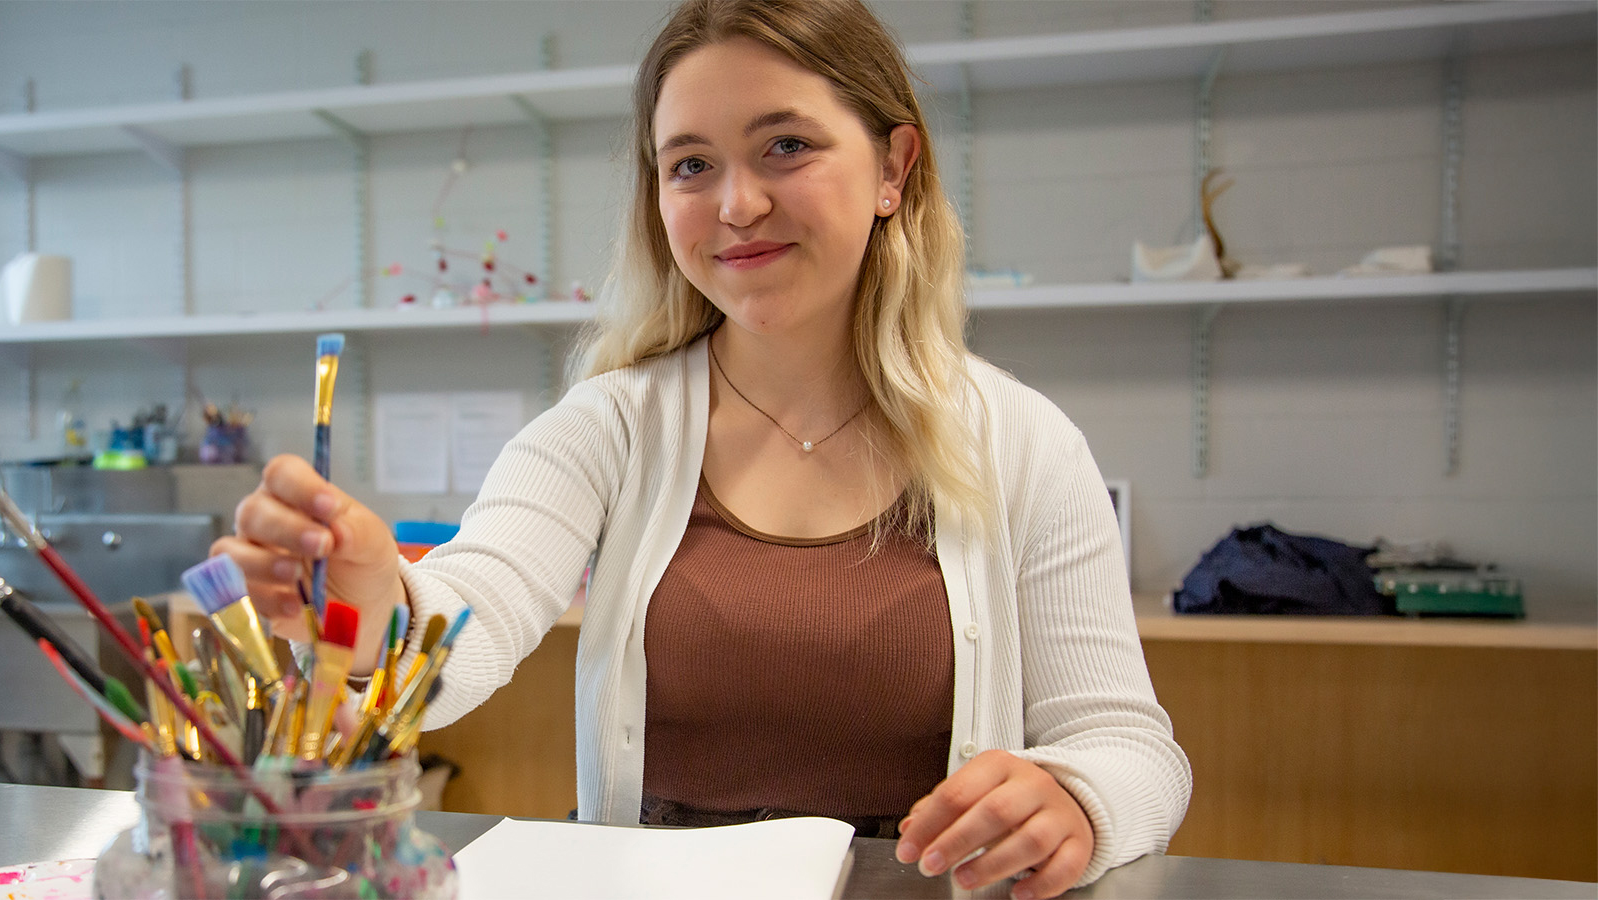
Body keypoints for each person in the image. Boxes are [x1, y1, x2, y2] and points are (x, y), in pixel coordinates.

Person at [211, 1, 1190, 896]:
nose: (735, 205)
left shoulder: (1019, 442)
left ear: (894, 168)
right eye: (690, 164)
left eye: (784, 146)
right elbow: (465, 621)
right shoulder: (604, 428)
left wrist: (1076, 798)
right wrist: (369, 596)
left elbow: (1129, 748)